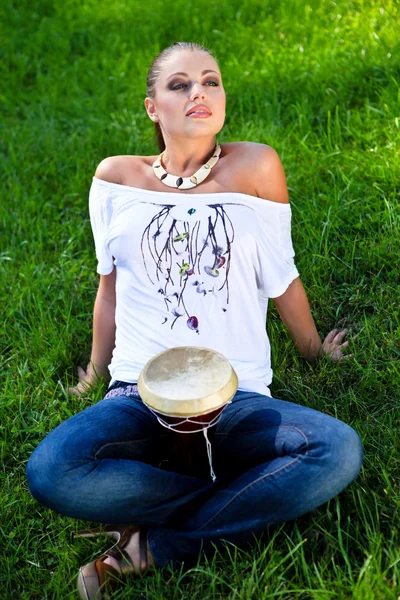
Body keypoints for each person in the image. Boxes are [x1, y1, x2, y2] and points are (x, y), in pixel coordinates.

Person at [26, 42, 363, 599]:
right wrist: (94, 370)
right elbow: (108, 288)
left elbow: (283, 276)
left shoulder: (256, 165)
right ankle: (236, 492)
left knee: (336, 450)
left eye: (211, 81)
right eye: (179, 85)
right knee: (52, 471)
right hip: (137, 392)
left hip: (237, 397)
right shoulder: (116, 178)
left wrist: (312, 351)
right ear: (152, 107)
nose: (199, 93)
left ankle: (154, 544)